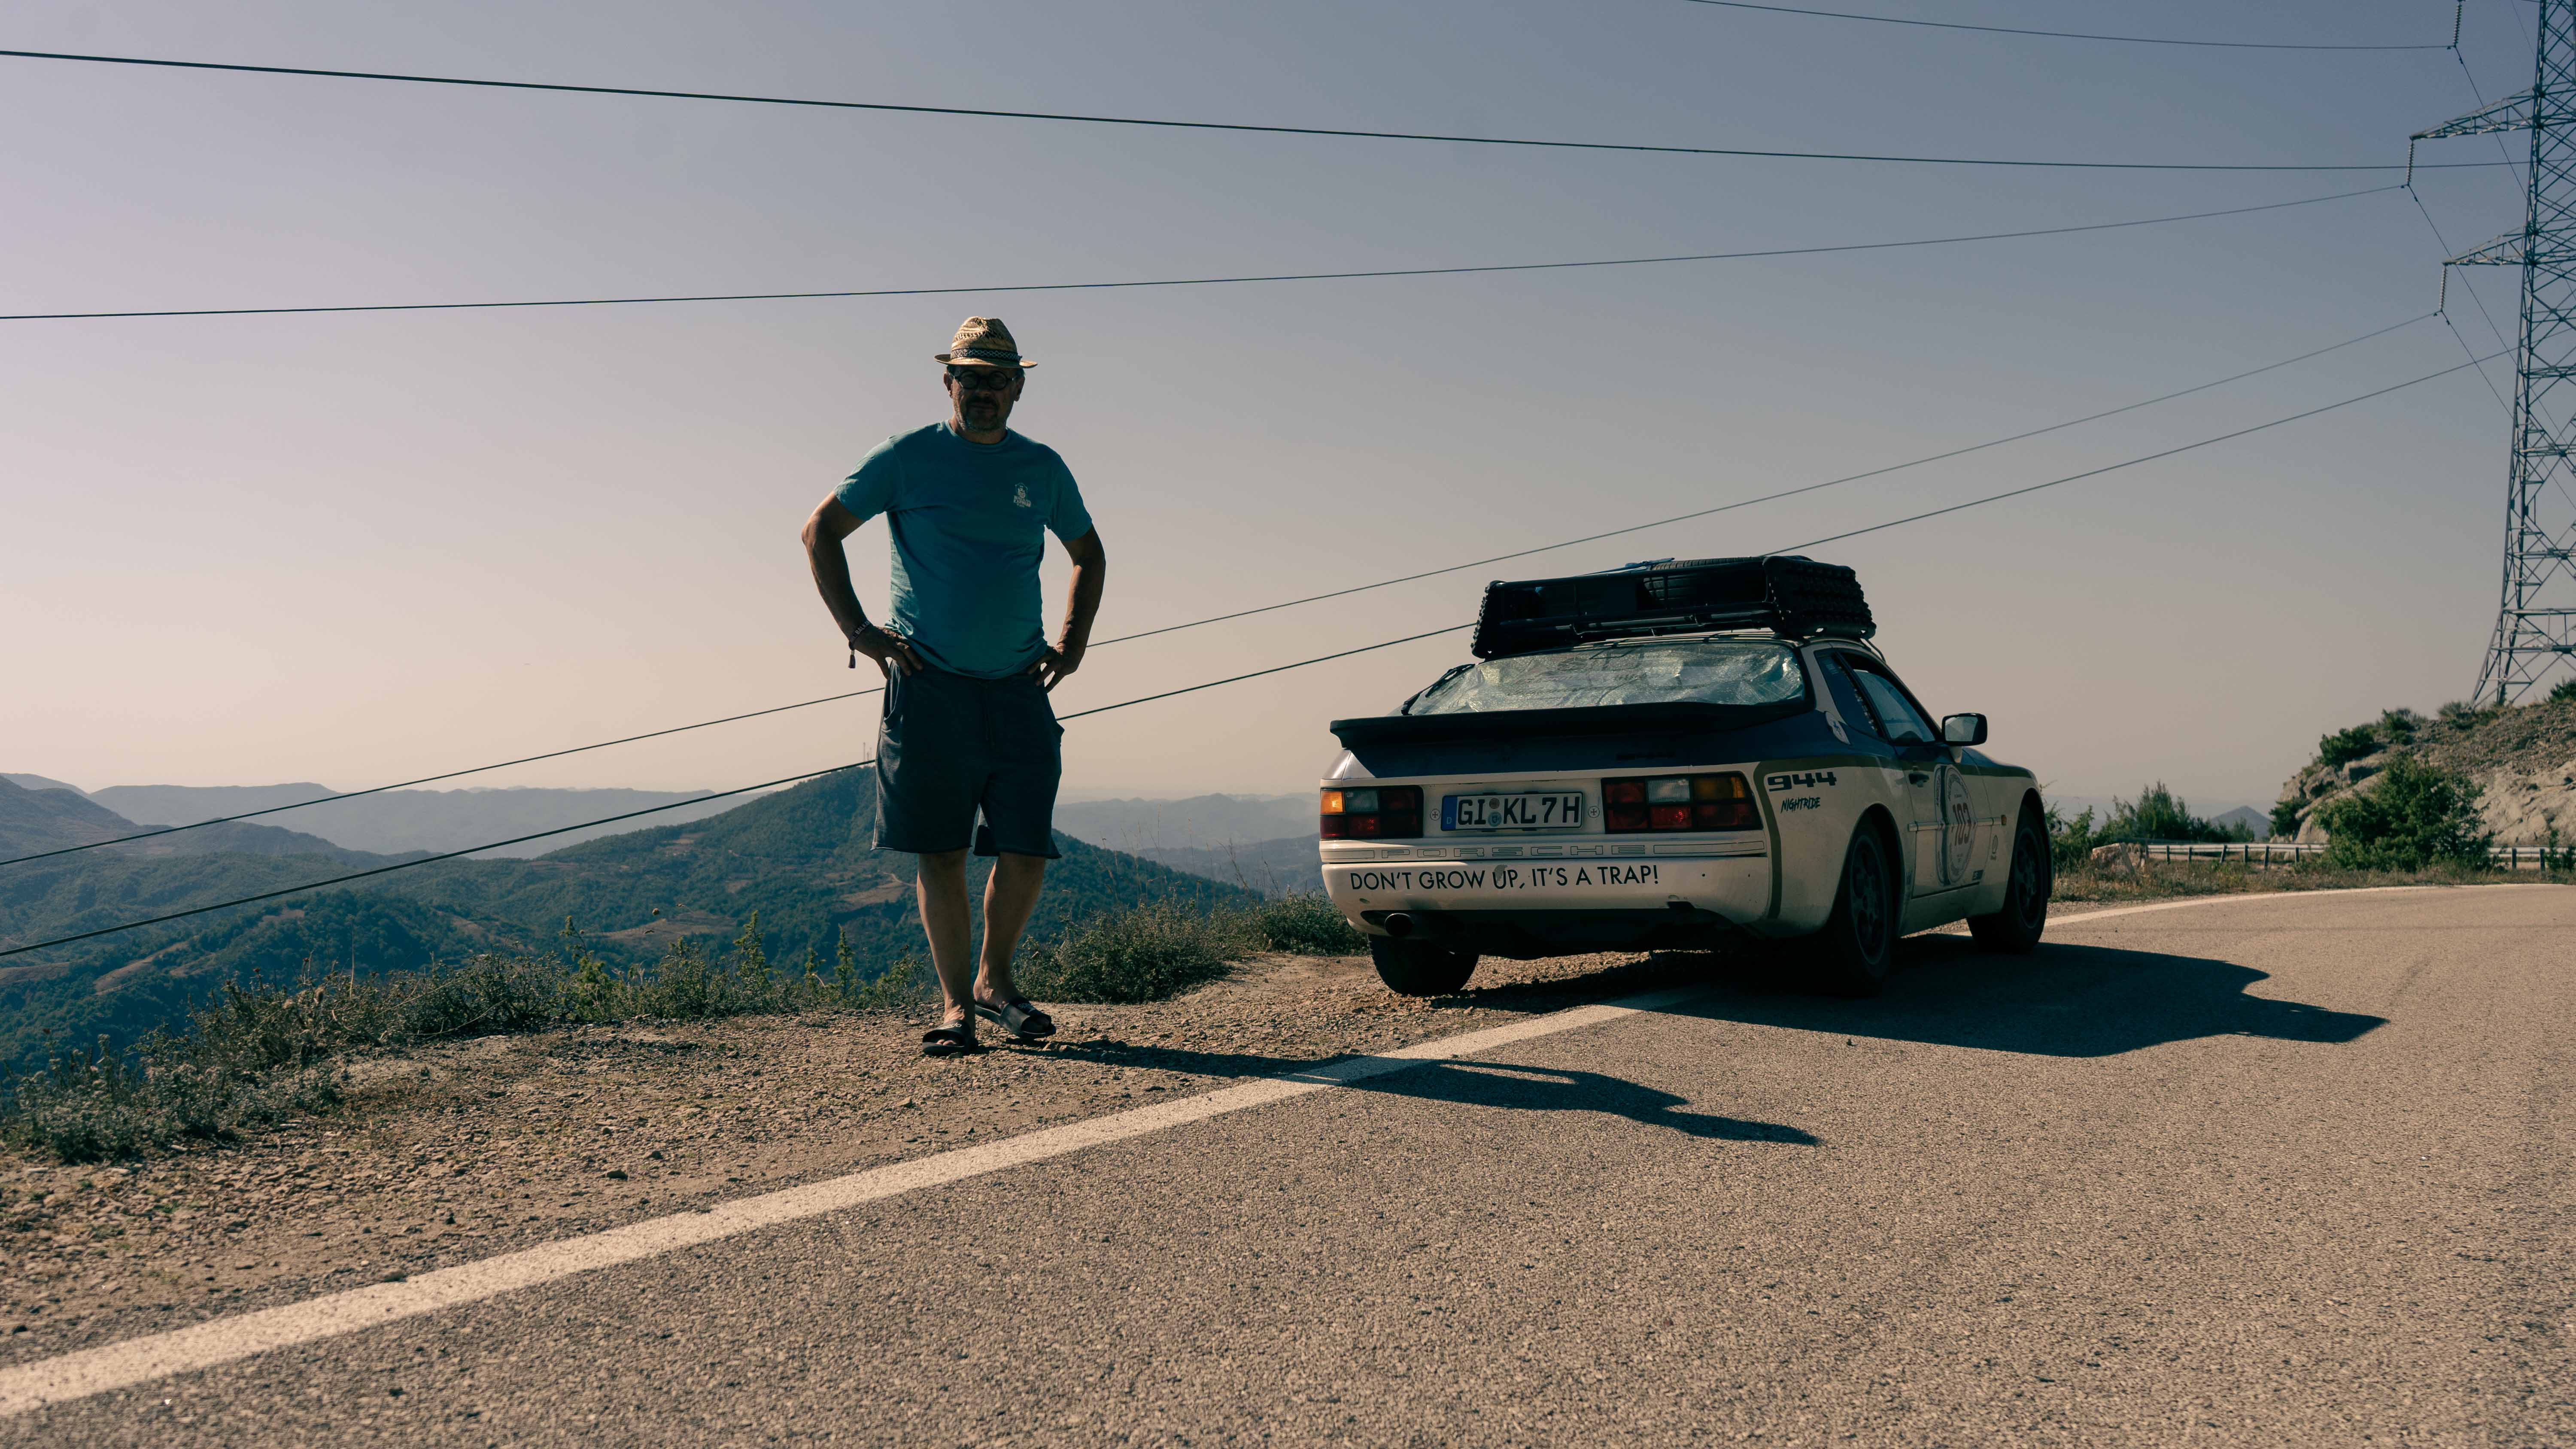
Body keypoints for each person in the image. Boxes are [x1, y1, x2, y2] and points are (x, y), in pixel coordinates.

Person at [801, 317, 1108, 1055]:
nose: (983, 392)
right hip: (929, 684)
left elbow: (1089, 552)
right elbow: (821, 532)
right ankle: (953, 1007)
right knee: (940, 852)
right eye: (970, 378)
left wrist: (1073, 643)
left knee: (1026, 848)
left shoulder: (1042, 468)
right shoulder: (907, 457)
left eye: (998, 379)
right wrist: (860, 632)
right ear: (950, 383)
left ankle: (995, 984)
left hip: (1017, 686)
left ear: (1019, 388)